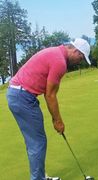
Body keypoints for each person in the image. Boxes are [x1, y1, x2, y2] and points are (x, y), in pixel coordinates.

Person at [6, 38, 91, 180]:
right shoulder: (60, 62)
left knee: (34, 141)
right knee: (37, 142)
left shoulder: (55, 52)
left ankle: (39, 176)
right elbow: (50, 95)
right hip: (22, 96)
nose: (79, 61)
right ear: (75, 50)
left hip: (17, 94)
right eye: (81, 57)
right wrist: (58, 121)